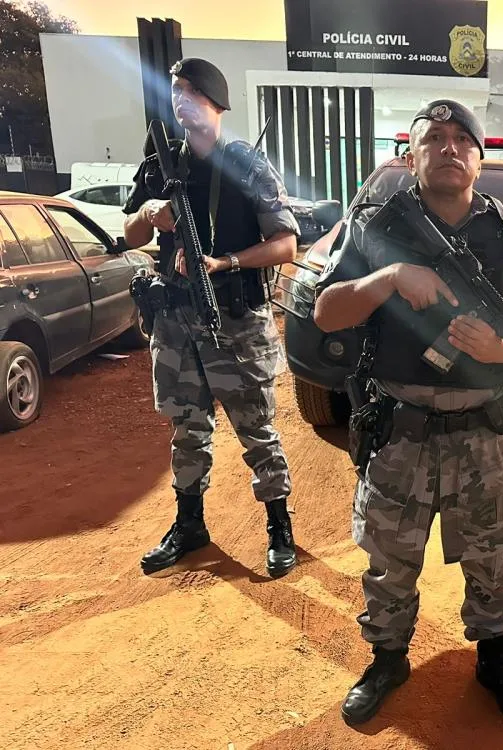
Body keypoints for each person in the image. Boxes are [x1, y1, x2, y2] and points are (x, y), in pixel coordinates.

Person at [313, 100, 503, 726]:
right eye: (434, 139)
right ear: (411, 155)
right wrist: (391, 277)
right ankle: (387, 658)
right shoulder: (376, 228)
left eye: (463, 139)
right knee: (388, 560)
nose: (449, 148)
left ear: (479, 158)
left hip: (485, 430)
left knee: (494, 557)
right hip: (400, 428)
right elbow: (326, 312)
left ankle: (493, 658)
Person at [122, 57, 300, 577]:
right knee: (186, 430)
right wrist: (150, 215)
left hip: (235, 321)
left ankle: (279, 527)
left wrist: (225, 261)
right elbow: (129, 234)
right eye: (176, 89)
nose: (181, 98)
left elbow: (286, 244)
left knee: (257, 430)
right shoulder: (158, 162)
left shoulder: (245, 164)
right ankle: (190, 524)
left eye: (193, 91)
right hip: (175, 321)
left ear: (217, 103)